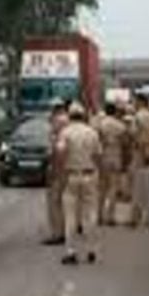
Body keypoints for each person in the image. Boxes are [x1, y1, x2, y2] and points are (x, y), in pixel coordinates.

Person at [56, 102, 102, 265]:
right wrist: (97, 172)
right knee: (89, 214)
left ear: (70, 116)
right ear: (83, 116)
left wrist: (61, 175)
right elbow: (97, 156)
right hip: (90, 174)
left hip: (71, 176)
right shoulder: (92, 132)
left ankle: (71, 252)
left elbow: (61, 153)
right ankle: (92, 251)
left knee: (70, 216)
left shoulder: (65, 132)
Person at [94, 102, 130, 226]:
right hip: (116, 156)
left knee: (101, 188)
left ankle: (99, 215)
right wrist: (125, 160)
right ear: (115, 112)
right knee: (113, 188)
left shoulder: (100, 124)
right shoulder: (120, 125)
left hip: (103, 156)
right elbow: (125, 143)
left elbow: (97, 141)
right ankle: (110, 217)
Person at [130, 93, 149, 227]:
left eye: (135, 101)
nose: (134, 104)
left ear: (140, 102)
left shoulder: (137, 117)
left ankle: (136, 217)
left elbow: (133, 134)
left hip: (139, 154)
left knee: (137, 186)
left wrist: (140, 147)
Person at [43, 101, 71, 246]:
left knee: (54, 202)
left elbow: (56, 153)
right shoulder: (70, 127)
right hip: (69, 169)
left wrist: (53, 171)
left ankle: (57, 234)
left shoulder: (59, 133)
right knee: (64, 202)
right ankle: (65, 231)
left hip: (59, 170)